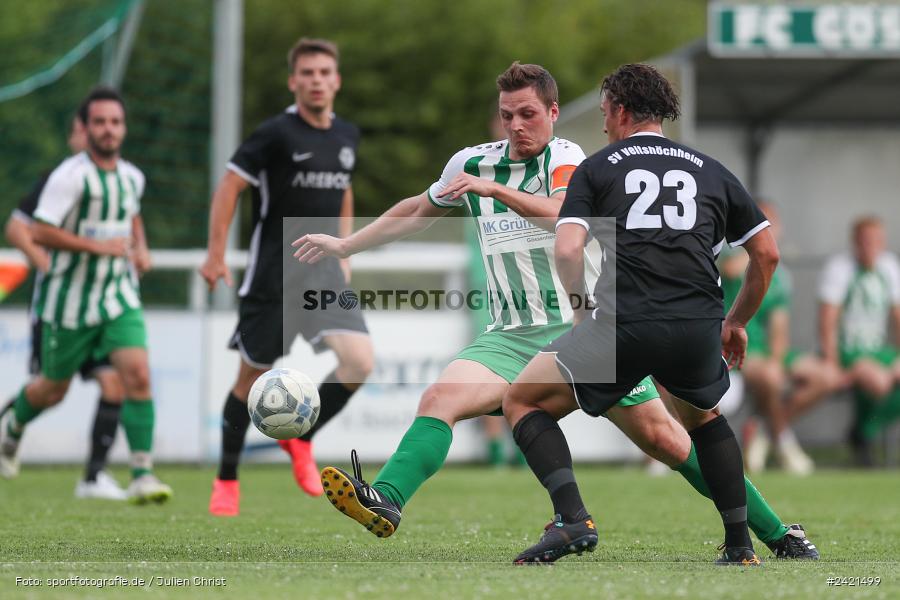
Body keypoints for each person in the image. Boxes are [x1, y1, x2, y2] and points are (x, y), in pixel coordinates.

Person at [296, 63, 816, 561]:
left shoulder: (569, 158)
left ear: (553, 112)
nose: (516, 125)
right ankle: (386, 499)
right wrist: (347, 245)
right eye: (507, 115)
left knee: (669, 440)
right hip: (510, 335)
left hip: (583, 329)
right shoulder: (471, 164)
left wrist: (497, 192)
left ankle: (776, 532)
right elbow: (416, 209)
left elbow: (564, 215)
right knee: (439, 398)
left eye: (528, 114)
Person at [501, 63, 780, 565]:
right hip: (697, 325)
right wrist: (736, 322)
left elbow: (567, 248)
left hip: (623, 325)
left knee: (522, 401)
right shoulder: (711, 169)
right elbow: (767, 254)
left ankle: (572, 519)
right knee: (703, 419)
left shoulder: (598, 167)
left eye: (605, 112)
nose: (604, 123)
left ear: (621, 111)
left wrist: (581, 311)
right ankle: (740, 546)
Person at [199, 38, 373, 516]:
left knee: (359, 362)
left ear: (337, 81)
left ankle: (301, 438)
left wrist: (345, 249)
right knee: (249, 379)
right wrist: (215, 255)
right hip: (273, 275)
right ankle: (226, 479)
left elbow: (344, 192)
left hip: (324, 274)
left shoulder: (347, 136)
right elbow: (230, 186)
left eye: (325, 72)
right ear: (294, 81)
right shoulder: (275, 133)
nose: (317, 80)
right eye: (308, 73)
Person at [0, 86, 170, 503]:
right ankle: (12, 426)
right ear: (86, 128)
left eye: (115, 122)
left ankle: (142, 473)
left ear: (123, 128)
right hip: (69, 302)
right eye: (100, 122)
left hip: (117, 296)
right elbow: (38, 231)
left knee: (137, 375)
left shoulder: (131, 177)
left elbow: (132, 214)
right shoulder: (68, 177)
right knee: (52, 389)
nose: (108, 129)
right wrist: (97, 247)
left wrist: (141, 248)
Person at [2, 115, 129, 500]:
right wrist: (45, 263)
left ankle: (93, 477)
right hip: (61, 307)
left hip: (102, 305)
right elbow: (17, 228)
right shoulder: (58, 180)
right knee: (53, 389)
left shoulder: (121, 180)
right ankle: (9, 428)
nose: (96, 135)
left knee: (115, 382)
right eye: (86, 128)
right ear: (77, 135)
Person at [719, 203, 823, 475]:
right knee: (768, 377)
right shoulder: (730, 249)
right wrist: (758, 254)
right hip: (730, 347)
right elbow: (730, 268)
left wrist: (777, 361)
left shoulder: (779, 275)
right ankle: (784, 443)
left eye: (772, 225)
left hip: (761, 352)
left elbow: (779, 329)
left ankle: (765, 431)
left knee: (826, 376)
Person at [819, 216, 900, 466]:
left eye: (875, 241)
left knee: (886, 378)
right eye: (864, 241)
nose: (870, 246)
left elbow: (897, 318)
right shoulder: (840, 267)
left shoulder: (889, 267)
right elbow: (827, 321)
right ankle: (864, 435)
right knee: (877, 381)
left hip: (878, 350)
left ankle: (863, 431)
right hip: (849, 351)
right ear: (854, 242)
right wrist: (832, 363)